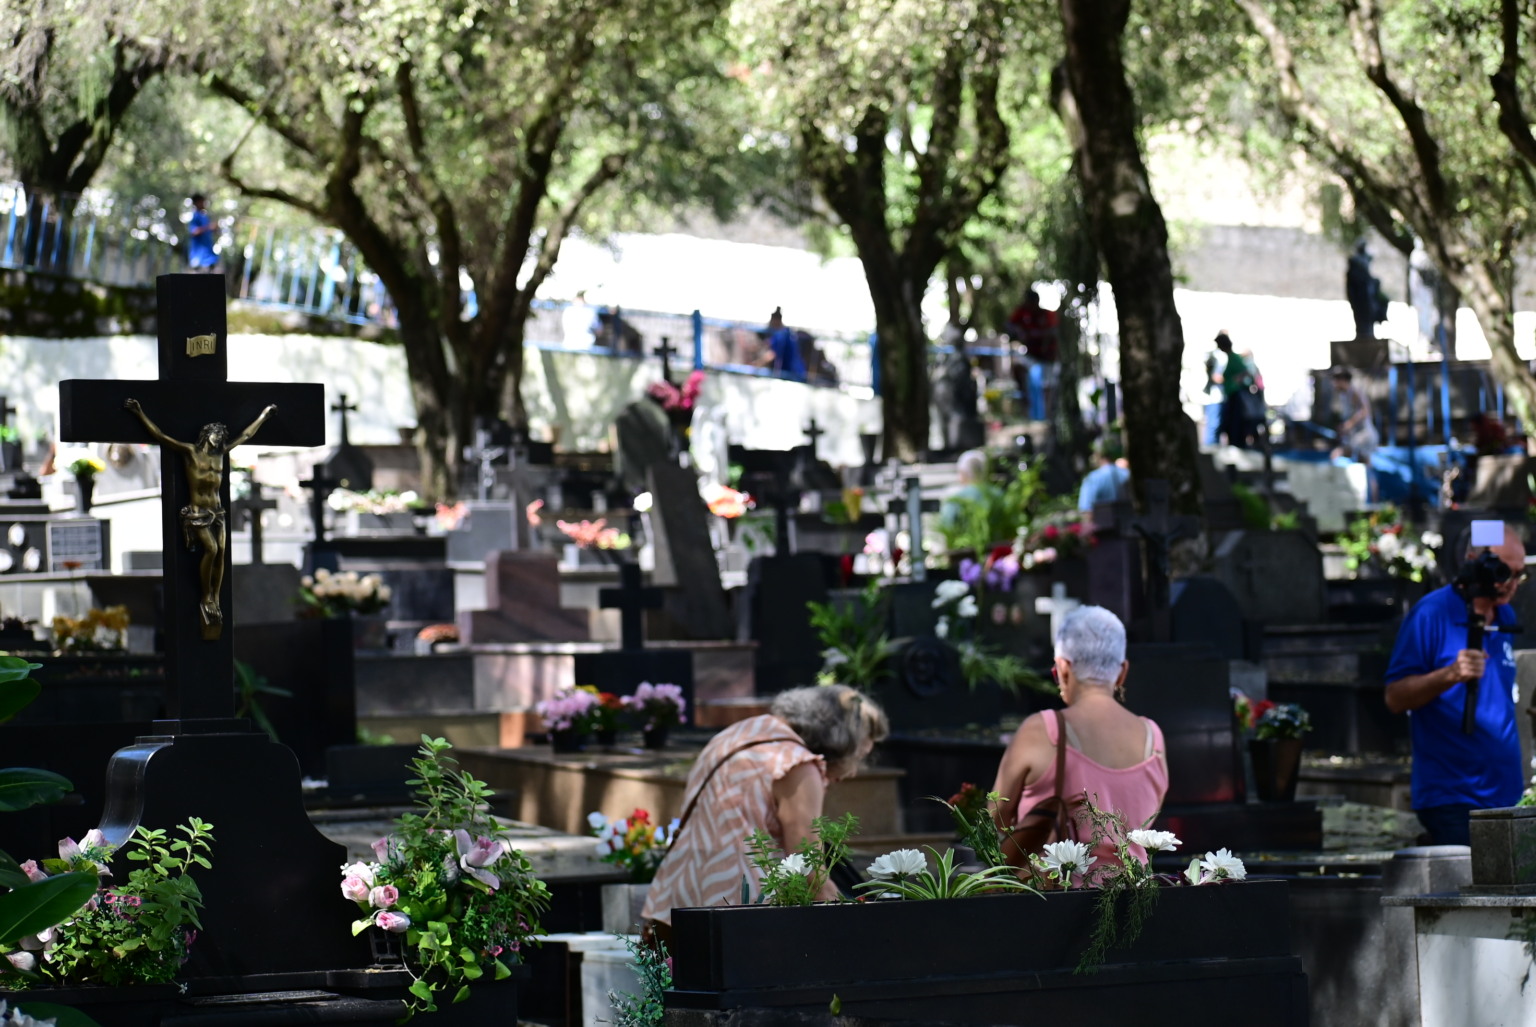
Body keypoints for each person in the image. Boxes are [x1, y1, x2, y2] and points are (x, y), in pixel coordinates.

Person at [640, 685, 889, 935]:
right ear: (841, 740)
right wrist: (858, 925)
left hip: (681, 902)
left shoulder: (739, 735)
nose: (854, 771)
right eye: (859, 756)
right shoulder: (797, 765)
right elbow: (809, 868)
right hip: (745, 915)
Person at [1384, 524, 1527, 846]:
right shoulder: (1432, 614)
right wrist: (1450, 674)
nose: (1511, 584)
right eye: (1504, 571)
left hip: (1505, 794)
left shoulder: (1504, 613)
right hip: (1453, 797)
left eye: (1520, 575)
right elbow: (1394, 698)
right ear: (1474, 560)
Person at [992, 606, 1167, 865]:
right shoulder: (1153, 737)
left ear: (1063, 669)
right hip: (1136, 901)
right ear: (1122, 672)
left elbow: (994, 819)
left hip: (1054, 899)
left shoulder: (1041, 730)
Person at [124, 397, 275, 637]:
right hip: (198, 512)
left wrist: (263, 417)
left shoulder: (221, 455)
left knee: (222, 553)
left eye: (221, 435)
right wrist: (139, 413)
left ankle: (215, 597)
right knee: (212, 550)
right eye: (215, 434)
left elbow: (245, 435)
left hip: (218, 512)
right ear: (206, 435)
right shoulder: (191, 452)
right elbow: (161, 436)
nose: (219, 439)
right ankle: (206, 596)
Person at [1005, 290, 1059, 421]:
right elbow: (1009, 324)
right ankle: (1026, 401)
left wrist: (1042, 340)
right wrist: (1019, 332)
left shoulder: (1047, 315)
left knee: (1047, 386)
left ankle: (1047, 416)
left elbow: (1054, 332)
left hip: (1047, 357)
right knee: (1017, 366)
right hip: (1032, 356)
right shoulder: (1023, 313)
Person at [1329, 367, 1379, 501]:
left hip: (1365, 436)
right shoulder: (1345, 395)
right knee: (1366, 467)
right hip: (1360, 436)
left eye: (1336, 380)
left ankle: (1340, 494)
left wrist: (1349, 425)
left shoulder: (1353, 392)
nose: (1334, 384)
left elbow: (1364, 411)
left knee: (1337, 454)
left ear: (1343, 380)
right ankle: (1370, 501)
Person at [1212, 331, 1254, 448]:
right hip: (1230, 394)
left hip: (1235, 394)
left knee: (1234, 422)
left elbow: (1245, 373)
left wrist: (1235, 381)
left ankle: (1237, 443)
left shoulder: (1234, 358)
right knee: (1230, 422)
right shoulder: (1230, 358)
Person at [1077, 438, 1130, 512]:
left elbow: (1087, 509)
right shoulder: (1127, 474)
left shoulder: (1092, 478)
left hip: (1104, 521)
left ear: (1098, 454)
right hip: (1129, 520)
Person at [758, 307, 807, 381]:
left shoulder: (781, 335)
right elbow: (768, 343)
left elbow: (771, 355)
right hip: (796, 372)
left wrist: (756, 365)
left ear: (775, 321)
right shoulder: (786, 332)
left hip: (792, 374)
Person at [187, 193, 220, 272]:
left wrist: (215, 229)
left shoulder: (205, 217)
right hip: (198, 257)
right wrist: (209, 227)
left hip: (209, 256)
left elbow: (210, 230)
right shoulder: (195, 216)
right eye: (202, 201)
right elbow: (194, 231)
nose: (204, 203)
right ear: (196, 203)